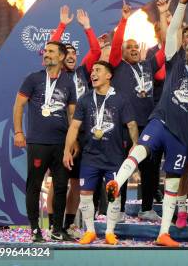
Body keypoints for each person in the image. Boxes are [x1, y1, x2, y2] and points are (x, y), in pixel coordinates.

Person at [105, 0, 188, 246]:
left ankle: (163, 233)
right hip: (159, 120)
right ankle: (117, 182)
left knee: (170, 181)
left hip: (181, 133)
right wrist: (180, 4)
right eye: (187, 44)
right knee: (138, 151)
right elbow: (171, 35)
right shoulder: (174, 59)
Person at [62, 61, 138, 245]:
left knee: (114, 194)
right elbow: (74, 126)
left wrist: (136, 145)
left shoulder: (121, 98)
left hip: (114, 157)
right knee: (85, 193)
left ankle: (110, 232)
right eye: (92, 71)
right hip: (90, 156)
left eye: (98, 70)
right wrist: (66, 150)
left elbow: (132, 124)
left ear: (108, 75)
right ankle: (90, 231)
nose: (93, 74)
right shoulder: (85, 99)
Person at [13, 41, 77, 242]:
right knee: (34, 185)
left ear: (60, 57)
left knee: (60, 187)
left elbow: (73, 113)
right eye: (45, 51)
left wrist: (73, 142)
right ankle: (34, 230)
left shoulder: (68, 82)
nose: (46, 54)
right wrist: (18, 132)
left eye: (51, 51)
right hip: (38, 142)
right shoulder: (33, 79)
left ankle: (57, 229)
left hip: (60, 143)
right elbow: (19, 106)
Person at [109, 0, 165, 222]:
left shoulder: (148, 65)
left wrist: (163, 15)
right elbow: (114, 47)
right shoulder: (118, 66)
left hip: (148, 125)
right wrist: (124, 20)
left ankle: (147, 208)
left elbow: (166, 48)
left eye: (135, 47)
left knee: (150, 170)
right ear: (122, 53)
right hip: (124, 126)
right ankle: (119, 210)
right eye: (128, 47)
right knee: (123, 168)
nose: (133, 49)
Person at [47, 6, 101, 238]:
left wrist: (87, 28)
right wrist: (61, 26)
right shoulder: (55, 74)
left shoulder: (81, 72)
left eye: (73, 53)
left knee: (77, 184)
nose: (70, 55)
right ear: (60, 57)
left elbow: (96, 50)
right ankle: (52, 224)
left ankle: (69, 223)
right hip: (60, 134)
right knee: (57, 182)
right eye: (65, 53)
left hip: (81, 134)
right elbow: (49, 50)